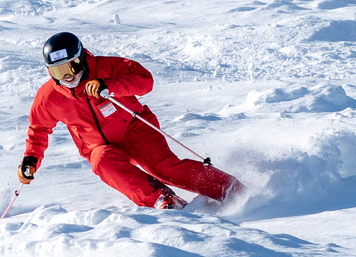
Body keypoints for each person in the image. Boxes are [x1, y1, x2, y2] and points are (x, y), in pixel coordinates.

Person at [16, 32, 241, 209]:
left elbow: (145, 81)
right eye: (58, 71)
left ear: (81, 59)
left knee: (162, 167)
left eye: (71, 67)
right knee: (104, 164)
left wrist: (109, 86)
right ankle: (161, 200)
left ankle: (230, 188)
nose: (67, 76)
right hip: (99, 146)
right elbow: (39, 129)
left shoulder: (108, 67)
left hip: (135, 128)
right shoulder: (49, 97)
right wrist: (30, 161)